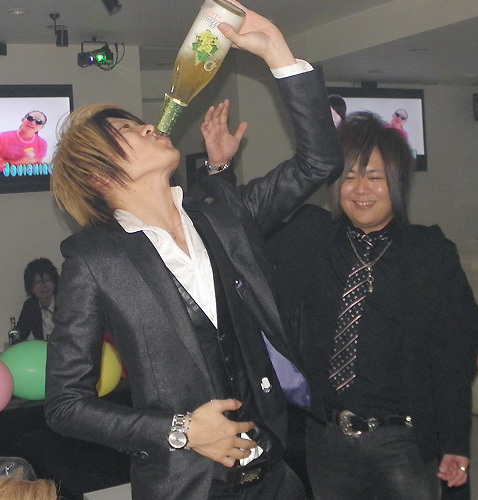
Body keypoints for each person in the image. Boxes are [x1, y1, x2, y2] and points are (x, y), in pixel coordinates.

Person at [43, 3, 343, 500]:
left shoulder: (225, 217)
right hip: (187, 487)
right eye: (125, 132)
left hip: (275, 475)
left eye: (138, 123)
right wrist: (180, 430)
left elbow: (319, 162)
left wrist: (278, 54)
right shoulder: (95, 262)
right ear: (98, 176)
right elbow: (65, 405)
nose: (146, 127)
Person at [266, 111, 478, 500]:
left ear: (397, 182)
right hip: (326, 441)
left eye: (374, 177)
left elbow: (451, 355)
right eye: (349, 176)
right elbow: (240, 231)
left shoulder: (428, 253)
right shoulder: (310, 238)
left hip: (403, 443)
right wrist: (219, 168)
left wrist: (455, 441)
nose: (360, 189)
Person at [16, 258, 59, 341]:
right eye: (37, 282)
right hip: (41, 349)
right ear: (31, 288)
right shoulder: (30, 307)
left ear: (54, 283)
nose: (43, 285)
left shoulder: (65, 303)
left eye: (47, 280)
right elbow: (19, 336)